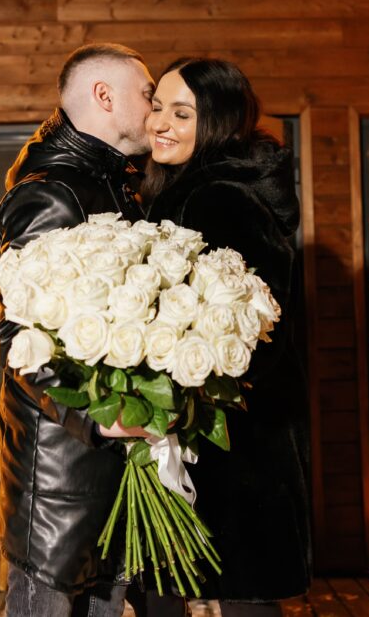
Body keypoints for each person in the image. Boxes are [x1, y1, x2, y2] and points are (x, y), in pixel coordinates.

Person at [139, 58, 312, 616]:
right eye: (158, 106)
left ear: (217, 123)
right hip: (208, 432)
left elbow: (258, 325)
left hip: (234, 439)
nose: (160, 123)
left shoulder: (220, 198)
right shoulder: (184, 187)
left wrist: (180, 383)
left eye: (182, 113)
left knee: (237, 596)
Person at [0, 42, 158, 615]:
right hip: (61, 481)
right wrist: (101, 416)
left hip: (109, 471)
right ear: (104, 96)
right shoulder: (50, 193)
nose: (154, 109)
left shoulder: (117, 185)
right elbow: (20, 341)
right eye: (147, 94)